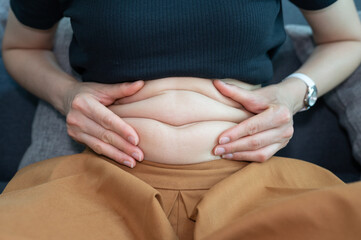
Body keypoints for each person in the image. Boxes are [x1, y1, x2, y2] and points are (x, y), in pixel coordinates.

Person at [1, 0, 361, 239]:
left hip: (252, 183)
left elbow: (348, 37)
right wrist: (66, 96)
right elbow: (21, 45)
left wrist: (293, 94)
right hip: (100, 185)